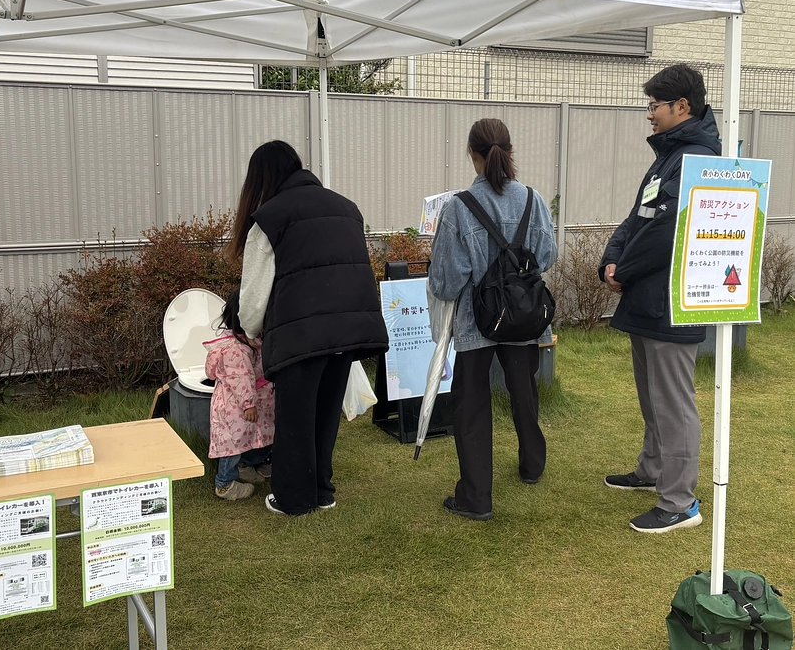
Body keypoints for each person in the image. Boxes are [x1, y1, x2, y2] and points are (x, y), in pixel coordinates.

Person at [227, 140, 389, 516]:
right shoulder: (346, 208)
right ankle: (322, 491)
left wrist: (251, 329)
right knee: (325, 413)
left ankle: (294, 499)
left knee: (295, 419)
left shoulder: (269, 217)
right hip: (347, 329)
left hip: (299, 332)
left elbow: (254, 292)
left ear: (261, 177)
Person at [599, 63, 721, 534]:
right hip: (645, 298)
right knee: (652, 397)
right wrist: (610, 260)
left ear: (682, 107)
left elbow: (668, 231)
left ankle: (680, 501)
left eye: (654, 106)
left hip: (672, 301)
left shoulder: (697, 159)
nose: (649, 114)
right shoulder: (668, 157)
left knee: (673, 402)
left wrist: (622, 271)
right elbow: (637, 217)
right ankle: (652, 470)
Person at [428, 118, 557, 521]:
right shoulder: (533, 200)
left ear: (472, 154)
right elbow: (547, 256)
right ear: (510, 151)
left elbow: (446, 282)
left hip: (475, 321)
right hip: (523, 315)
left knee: (472, 406)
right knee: (524, 392)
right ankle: (532, 465)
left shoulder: (457, 208)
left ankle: (476, 497)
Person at [204, 289, 274, 501]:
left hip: (248, 401)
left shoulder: (249, 341)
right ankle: (224, 484)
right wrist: (248, 404)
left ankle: (245, 466)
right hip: (236, 405)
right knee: (232, 444)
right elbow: (241, 378)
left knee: (250, 437)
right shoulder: (236, 348)